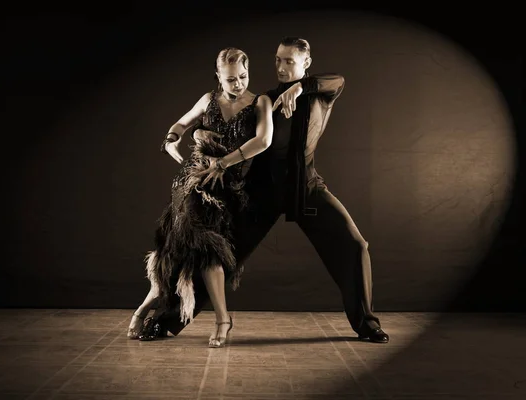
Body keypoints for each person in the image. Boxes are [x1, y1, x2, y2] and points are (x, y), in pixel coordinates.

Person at [136, 36, 390, 344]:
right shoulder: (265, 100)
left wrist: (301, 86)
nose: (281, 68)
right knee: (216, 254)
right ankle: (165, 322)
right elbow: (235, 130)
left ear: (305, 63)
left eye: (289, 62)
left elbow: (338, 80)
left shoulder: (320, 94)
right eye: (278, 60)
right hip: (262, 192)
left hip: (304, 187)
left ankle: (367, 324)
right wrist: (190, 136)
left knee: (355, 245)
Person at [127, 47, 274, 348]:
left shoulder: (260, 102)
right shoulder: (209, 99)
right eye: (231, 79)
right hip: (189, 182)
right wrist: (172, 138)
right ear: (218, 76)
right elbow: (180, 124)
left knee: (208, 251)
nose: (238, 84)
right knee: (171, 253)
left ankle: (221, 319)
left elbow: (264, 140)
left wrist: (224, 162)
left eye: (243, 77)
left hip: (225, 190)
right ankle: (147, 307)